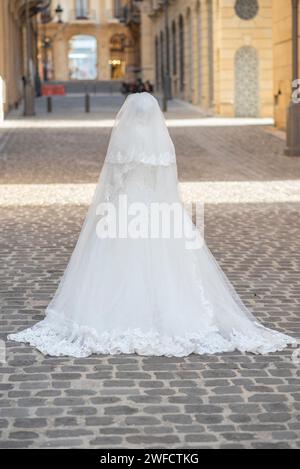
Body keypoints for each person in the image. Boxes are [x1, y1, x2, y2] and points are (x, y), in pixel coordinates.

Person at [8, 93, 297, 357]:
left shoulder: (124, 138)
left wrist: (108, 207)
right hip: (159, 209)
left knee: (116, 259)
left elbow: (113, 180)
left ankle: (116, 312)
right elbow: (168, 184)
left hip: (125, 209)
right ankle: (168, 311)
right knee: (167, 263)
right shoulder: (162, 141)